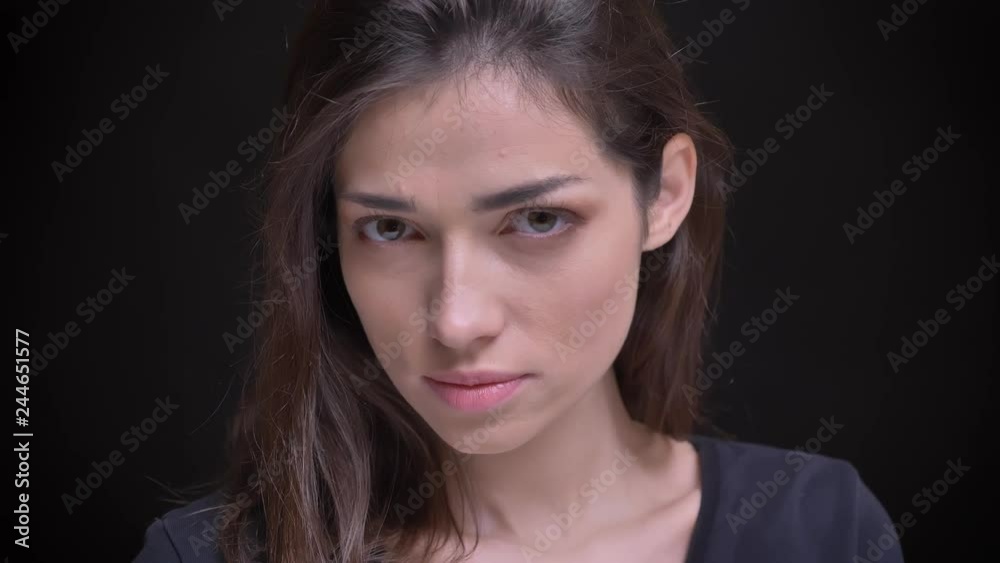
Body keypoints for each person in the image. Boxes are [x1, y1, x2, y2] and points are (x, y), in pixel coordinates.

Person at [134, 0, 902, 561]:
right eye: (391, 228)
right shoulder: (208, 556)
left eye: (537, 220)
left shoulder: (817, 531)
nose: (456, 320)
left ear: (665, 194)